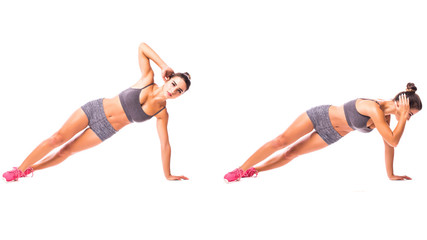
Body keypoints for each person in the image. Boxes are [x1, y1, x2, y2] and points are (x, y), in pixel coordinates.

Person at [3, 42, 191, 182]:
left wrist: (167, 174)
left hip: (105, 130)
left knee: (64, 152)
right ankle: (19, 169)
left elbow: (165, 145)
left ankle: (29, 169)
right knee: (57, 138)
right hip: (95, 109)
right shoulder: (148, 79)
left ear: (180, 96)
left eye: (179, 91)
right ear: (168, 80)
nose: (173, 90)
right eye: (174, 84)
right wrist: (163, 65)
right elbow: (142, 47)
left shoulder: (161, 113)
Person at [224, 83, 422, 182]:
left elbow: (389, 145)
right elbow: (395, 140)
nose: (408, 118)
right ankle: (239, 169)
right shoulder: (374, 108)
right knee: (281, 141)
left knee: (291, 153)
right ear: (401, 104)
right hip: (320, 116)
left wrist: (391, 175)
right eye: (409, 113)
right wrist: (403, 118)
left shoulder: (386, 119)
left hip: (332, 135)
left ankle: (254, 171)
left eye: (410, 116)